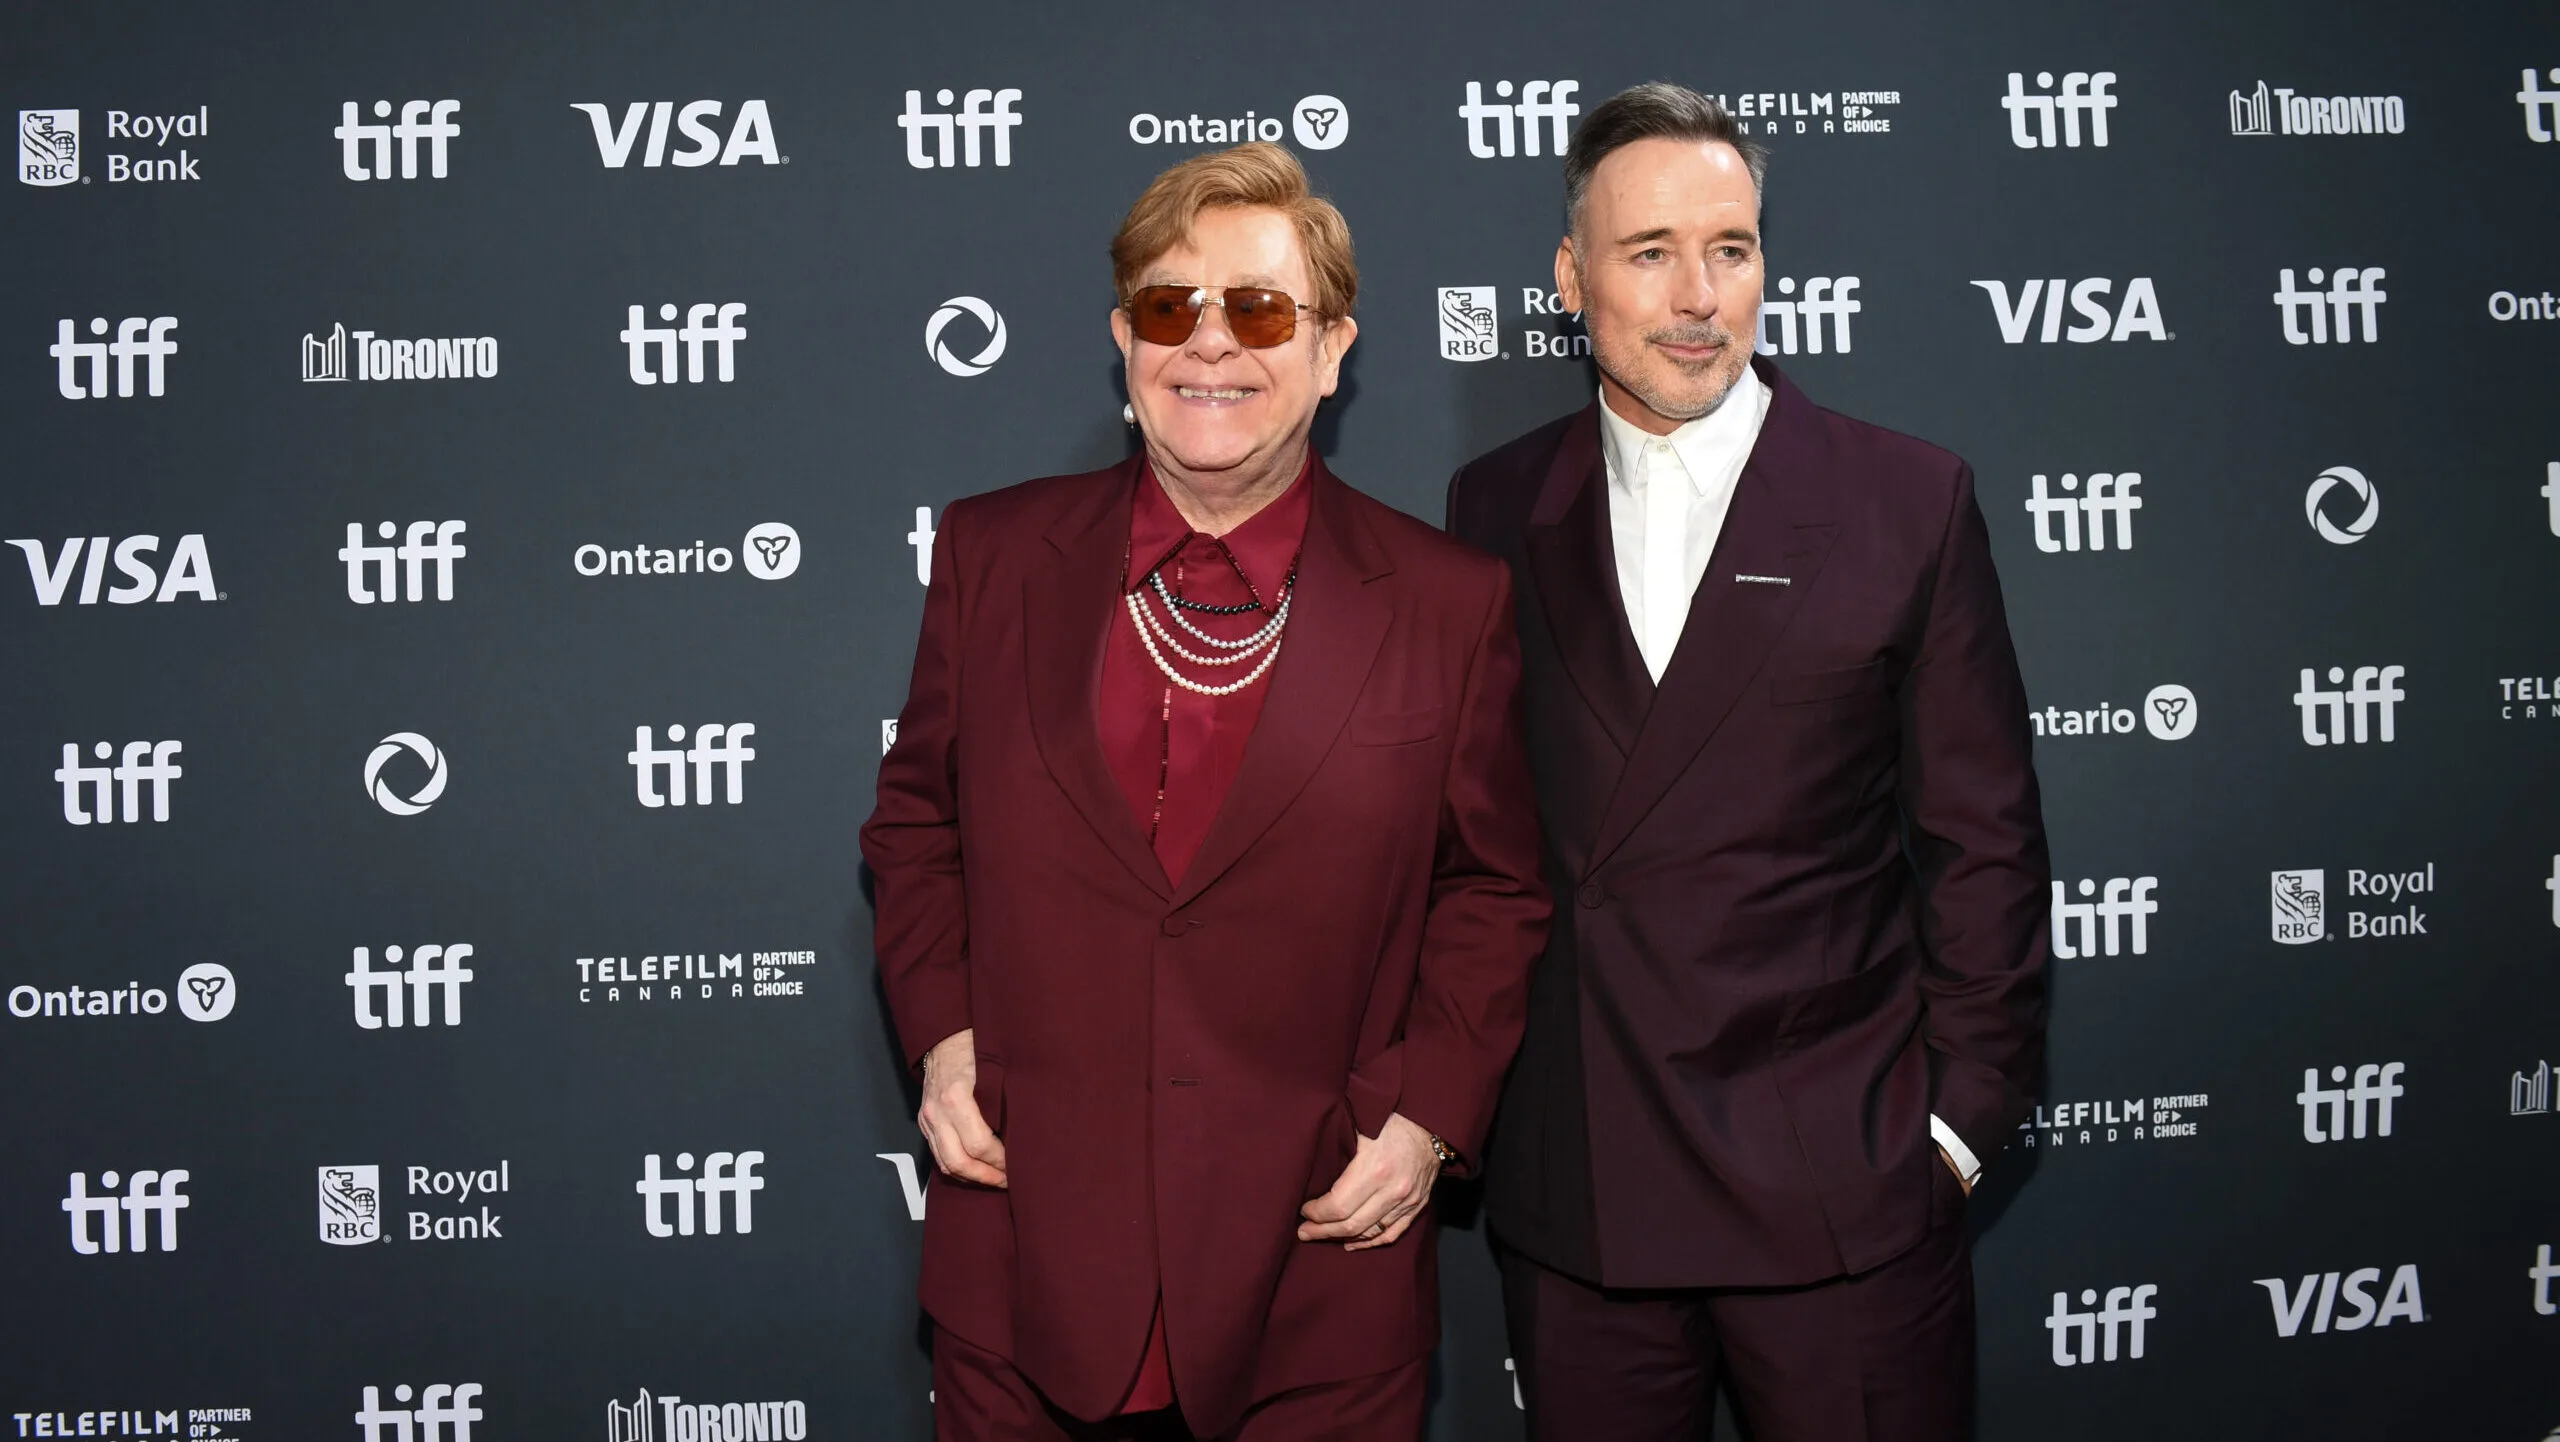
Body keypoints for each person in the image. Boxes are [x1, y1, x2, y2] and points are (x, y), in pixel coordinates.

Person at [863, 141, 1550, 1442]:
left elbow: (1495, 885)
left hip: (1318, 1284)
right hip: (1026, 1269)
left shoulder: (1450, 604)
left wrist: (1424, 1122)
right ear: (1126, 340)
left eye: (1262, 308)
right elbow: (917, 824)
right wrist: (944, 1034)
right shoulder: (993, 556)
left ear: (1334, 347)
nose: (1212, 346)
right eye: (1173, 307)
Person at [1446, 84, 2051, 1441]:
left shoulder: (1905, 498)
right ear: (1570, 279)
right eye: (1649, 250)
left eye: (1732, 247)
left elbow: (1987, 841)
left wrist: (1952, 1130)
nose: (1697, 293)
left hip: (1841, 1185)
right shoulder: (1491, 505)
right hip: (1584, 1186)